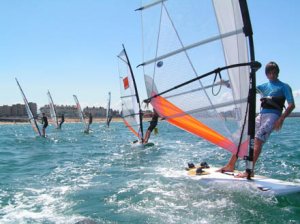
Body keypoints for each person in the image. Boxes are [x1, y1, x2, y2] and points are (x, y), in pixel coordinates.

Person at [218, 61, 295, 178]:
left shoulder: (284, 86)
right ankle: (230, 165)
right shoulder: (264, 87)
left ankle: (249, 170)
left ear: (278, 73)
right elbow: (244, 90)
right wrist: (228, 84)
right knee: (243, 137)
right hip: (261, 116)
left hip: (273, 117)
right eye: (270, 73)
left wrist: (281, 119)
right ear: (266, 74)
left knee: (258, 140)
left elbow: (291, 105)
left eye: (274, 73)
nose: (272, 75)